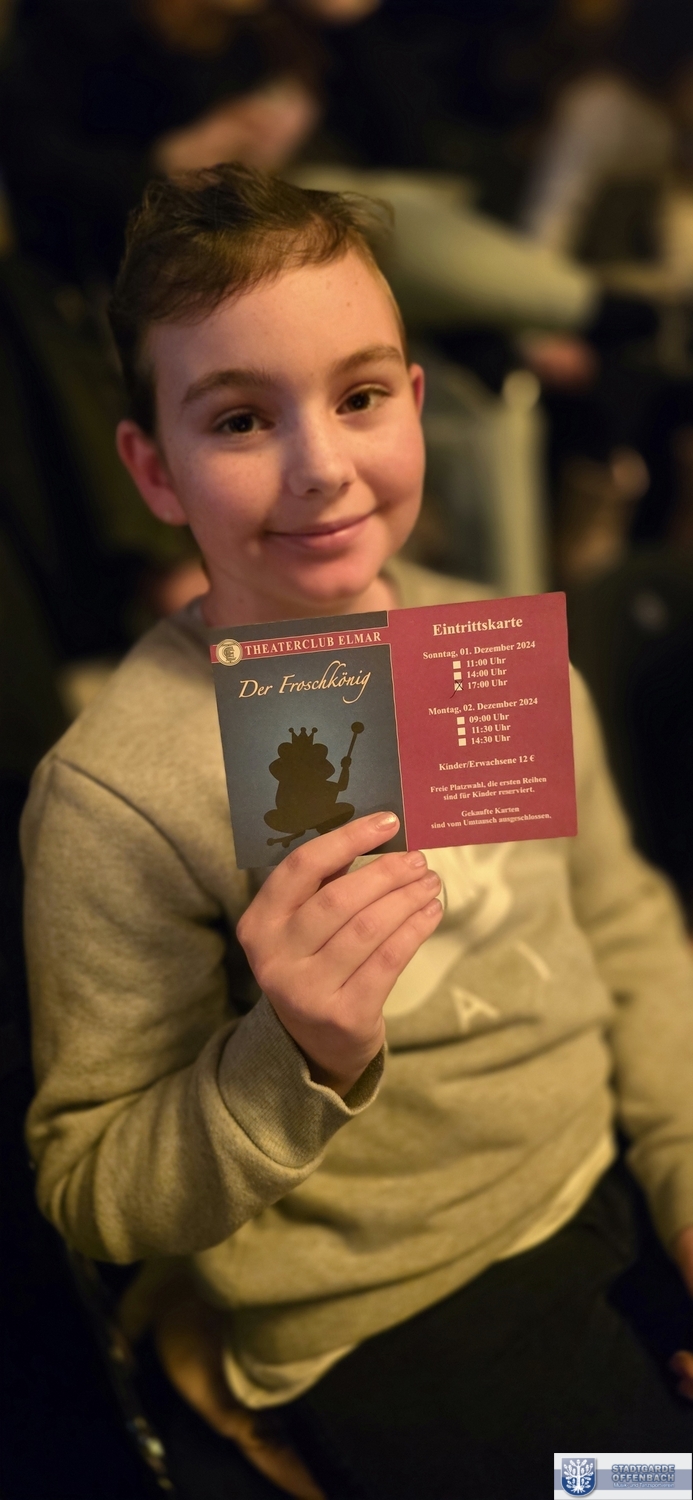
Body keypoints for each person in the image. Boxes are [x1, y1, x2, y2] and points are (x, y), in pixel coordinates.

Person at [21, 165, 693, 1500]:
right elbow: (91, 1181)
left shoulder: (494, 647)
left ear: (416, 404)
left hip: (608, 1172)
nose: (321, 467)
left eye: (360, 396)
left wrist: (684, 1176)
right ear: (153, 468)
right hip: (390, 1297)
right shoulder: (114, 793)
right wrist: (296, 1055)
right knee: (637, 1489)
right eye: (238, 419)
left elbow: (622, 923)